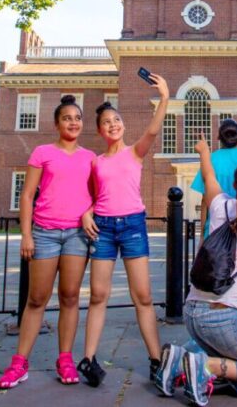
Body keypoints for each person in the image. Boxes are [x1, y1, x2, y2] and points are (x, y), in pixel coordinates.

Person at [154, 138, 237, 406]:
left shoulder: (219, 206)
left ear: (234, 185)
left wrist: (203, 151)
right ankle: (205, 366)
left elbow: (209, 175)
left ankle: (178, 362)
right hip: (229, 317)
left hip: (192, 314)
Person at [0, 95, 96, 389]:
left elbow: (95, 196)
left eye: (77, 118)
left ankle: (65, 358)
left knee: (69, 297)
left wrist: (88, 213)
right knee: (37, 298)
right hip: (44, 233)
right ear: (56, 123)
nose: (73, 122)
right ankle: (19, 363)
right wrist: (26, 234)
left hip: (77, 237)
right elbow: (27, 195)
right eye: (67, 118)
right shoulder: (42, 152)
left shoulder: (89, 157)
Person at [79, 75, 170, 387]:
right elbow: (90, 196)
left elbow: (154, 128)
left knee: (142, 296)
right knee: (99, 295)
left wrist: (165, 96)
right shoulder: (96, 162)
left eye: (116, 119)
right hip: (103, 230)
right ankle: (88, 360)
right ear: (100, 130)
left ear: (123, 125)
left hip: (132, 226)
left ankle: (156, 360)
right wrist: (87, 212)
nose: (112, 124)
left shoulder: (135, 152)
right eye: (106, 122)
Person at [189, 119, 237, 239]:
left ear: (218, 137)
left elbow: (205, 201)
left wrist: (202, 234)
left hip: (215, 230)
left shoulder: (211, 160)